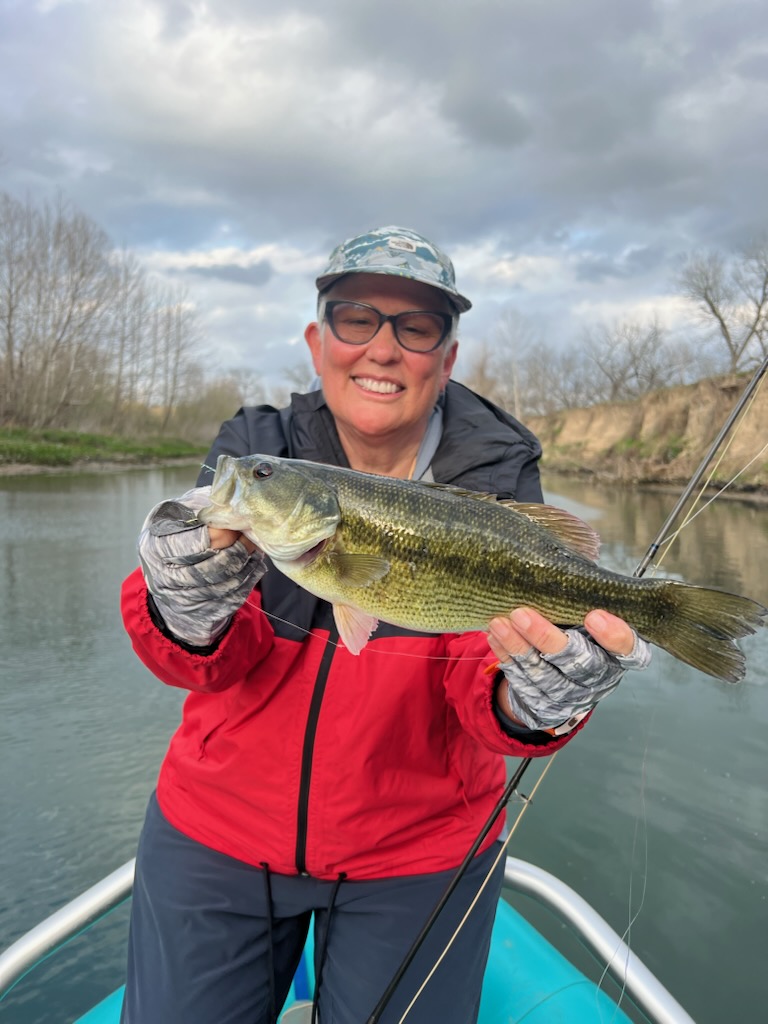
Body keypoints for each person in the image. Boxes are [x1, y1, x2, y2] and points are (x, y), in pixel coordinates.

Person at [119, 226, 651, 1024]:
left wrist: (534, 700)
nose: (382, 348)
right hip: (216, 836)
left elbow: (484, 683)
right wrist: (183, 606)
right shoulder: (255, 451)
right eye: (355, 317)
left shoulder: (500, 477)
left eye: (417, 326)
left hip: (421, 858)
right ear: (317, 339)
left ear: (448, 357)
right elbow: (205, 663)